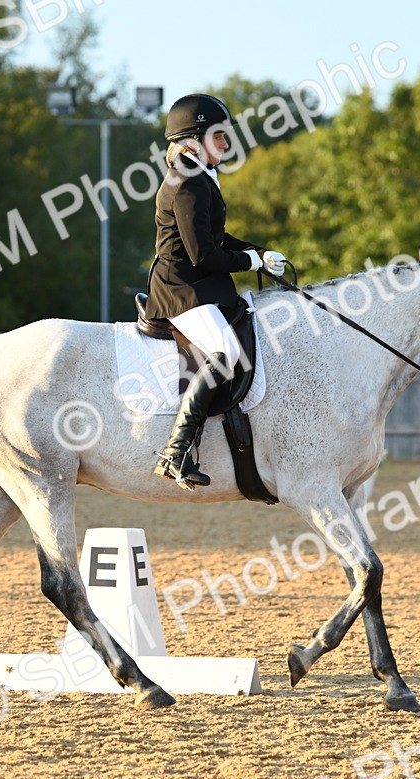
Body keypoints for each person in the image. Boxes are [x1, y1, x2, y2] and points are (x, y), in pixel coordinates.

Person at [145, 93, 287, 489]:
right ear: (193, 139)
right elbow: (202, 253)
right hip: (182, 288)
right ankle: (176, 451)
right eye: (219, 136)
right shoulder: (187, 183)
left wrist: (257, 251)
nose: (226, 144)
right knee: (225, 355)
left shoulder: (197, 175)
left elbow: (218, 236)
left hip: (201, 285)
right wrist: (251, 264)